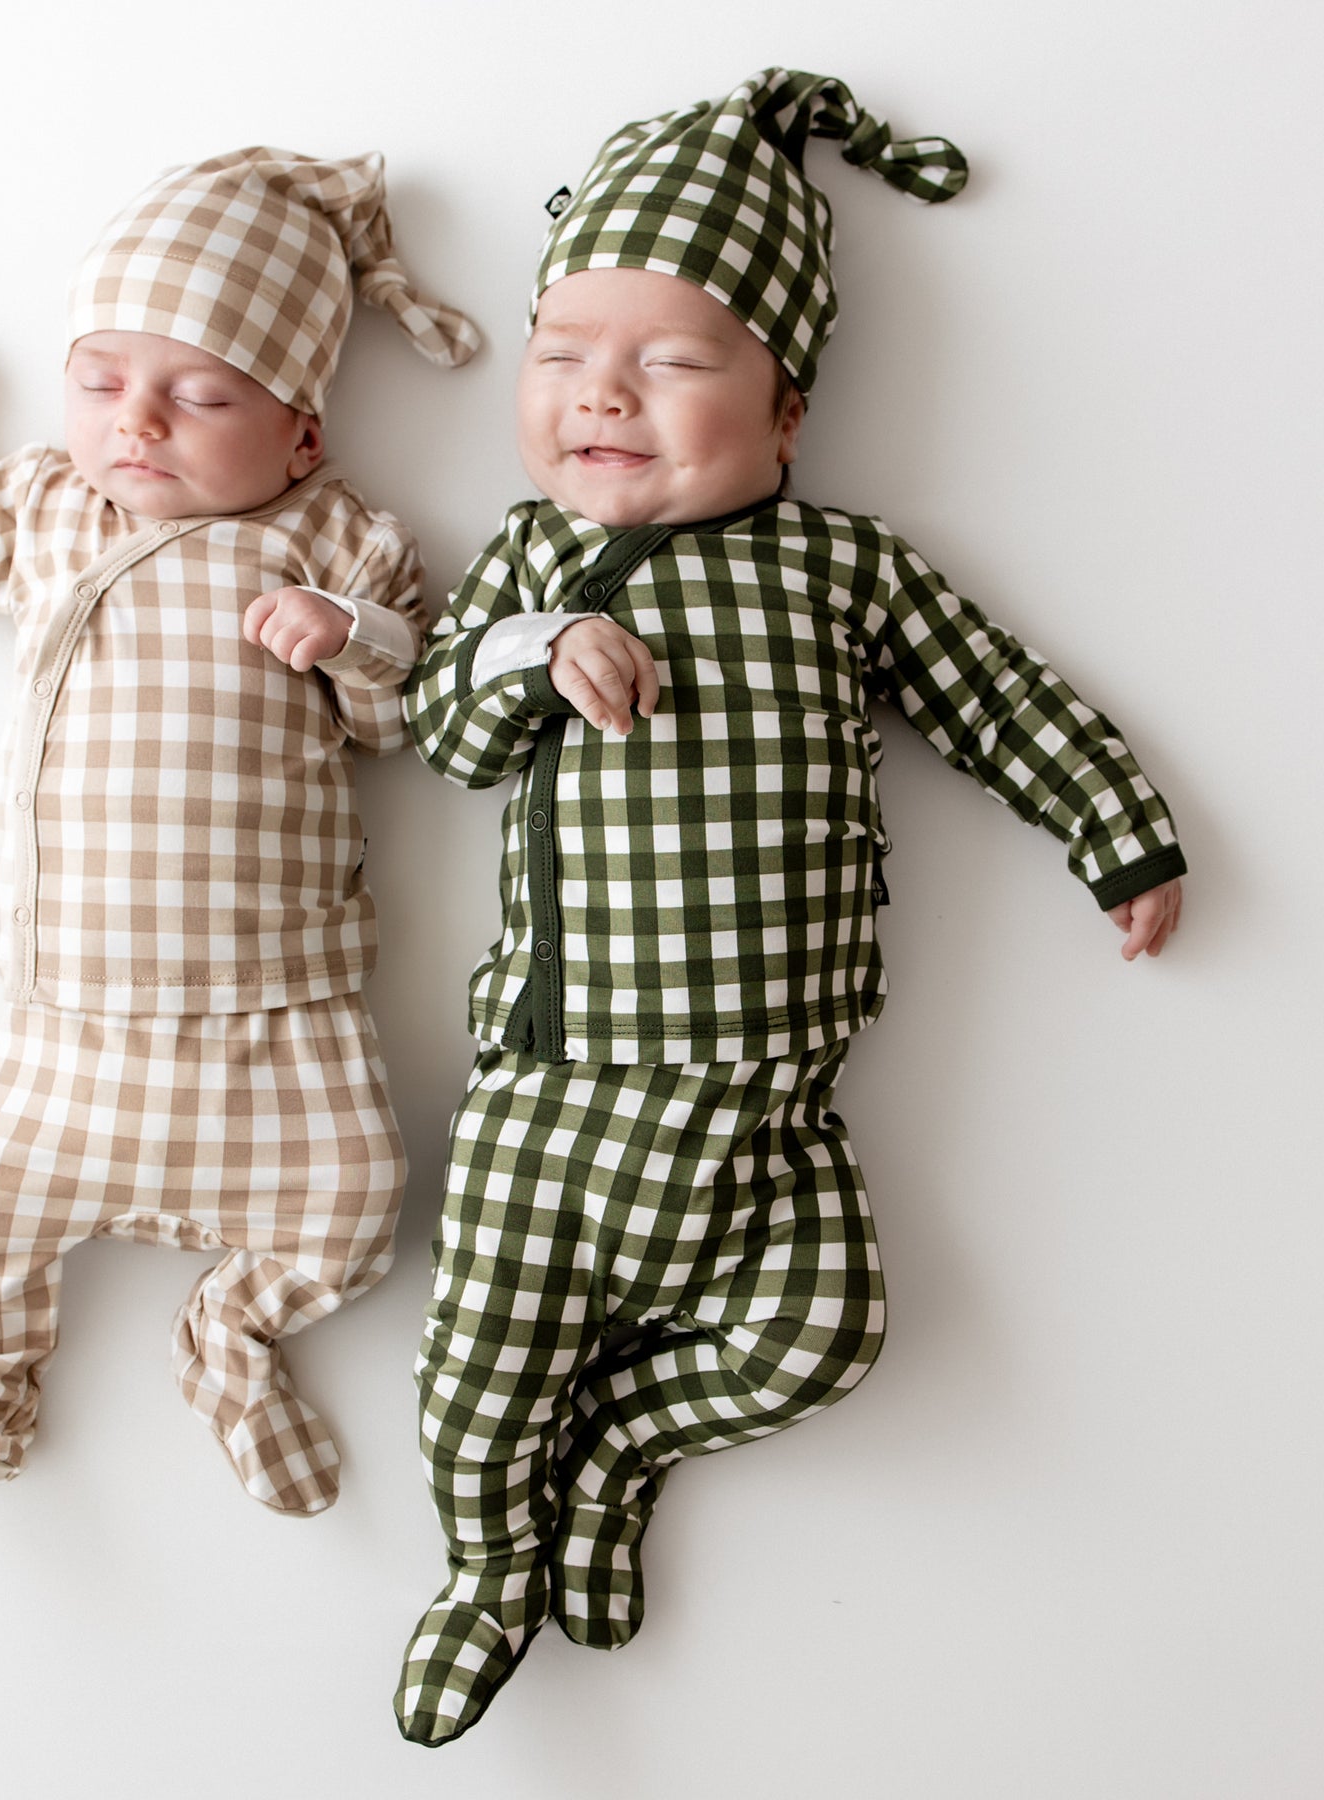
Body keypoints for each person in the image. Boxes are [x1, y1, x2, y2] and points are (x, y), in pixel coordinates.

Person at [395, 69, 1184, 1741]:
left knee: (822, 1337)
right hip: (558, 1092)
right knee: (475, 1390)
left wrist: (1115, 827)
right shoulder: (534, 561)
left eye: (669, 362)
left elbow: (1000, 697)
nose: (600, 396)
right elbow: (447, 731)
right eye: (561, 359)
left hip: (768, 1105)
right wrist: (541, 647)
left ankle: (616, 1456)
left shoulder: (843, 569)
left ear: (788, 405)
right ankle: (484, 1568)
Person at [0, 148, 478, 1515]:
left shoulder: (334, 536)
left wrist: (350, 637)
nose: (141, 423)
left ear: (301, 433)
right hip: (70, 1011)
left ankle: (233, 1328)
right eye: (103, 381)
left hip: (275, 1008)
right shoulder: (50, 508)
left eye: (200, 395)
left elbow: (403, 712)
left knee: (357, 1213)